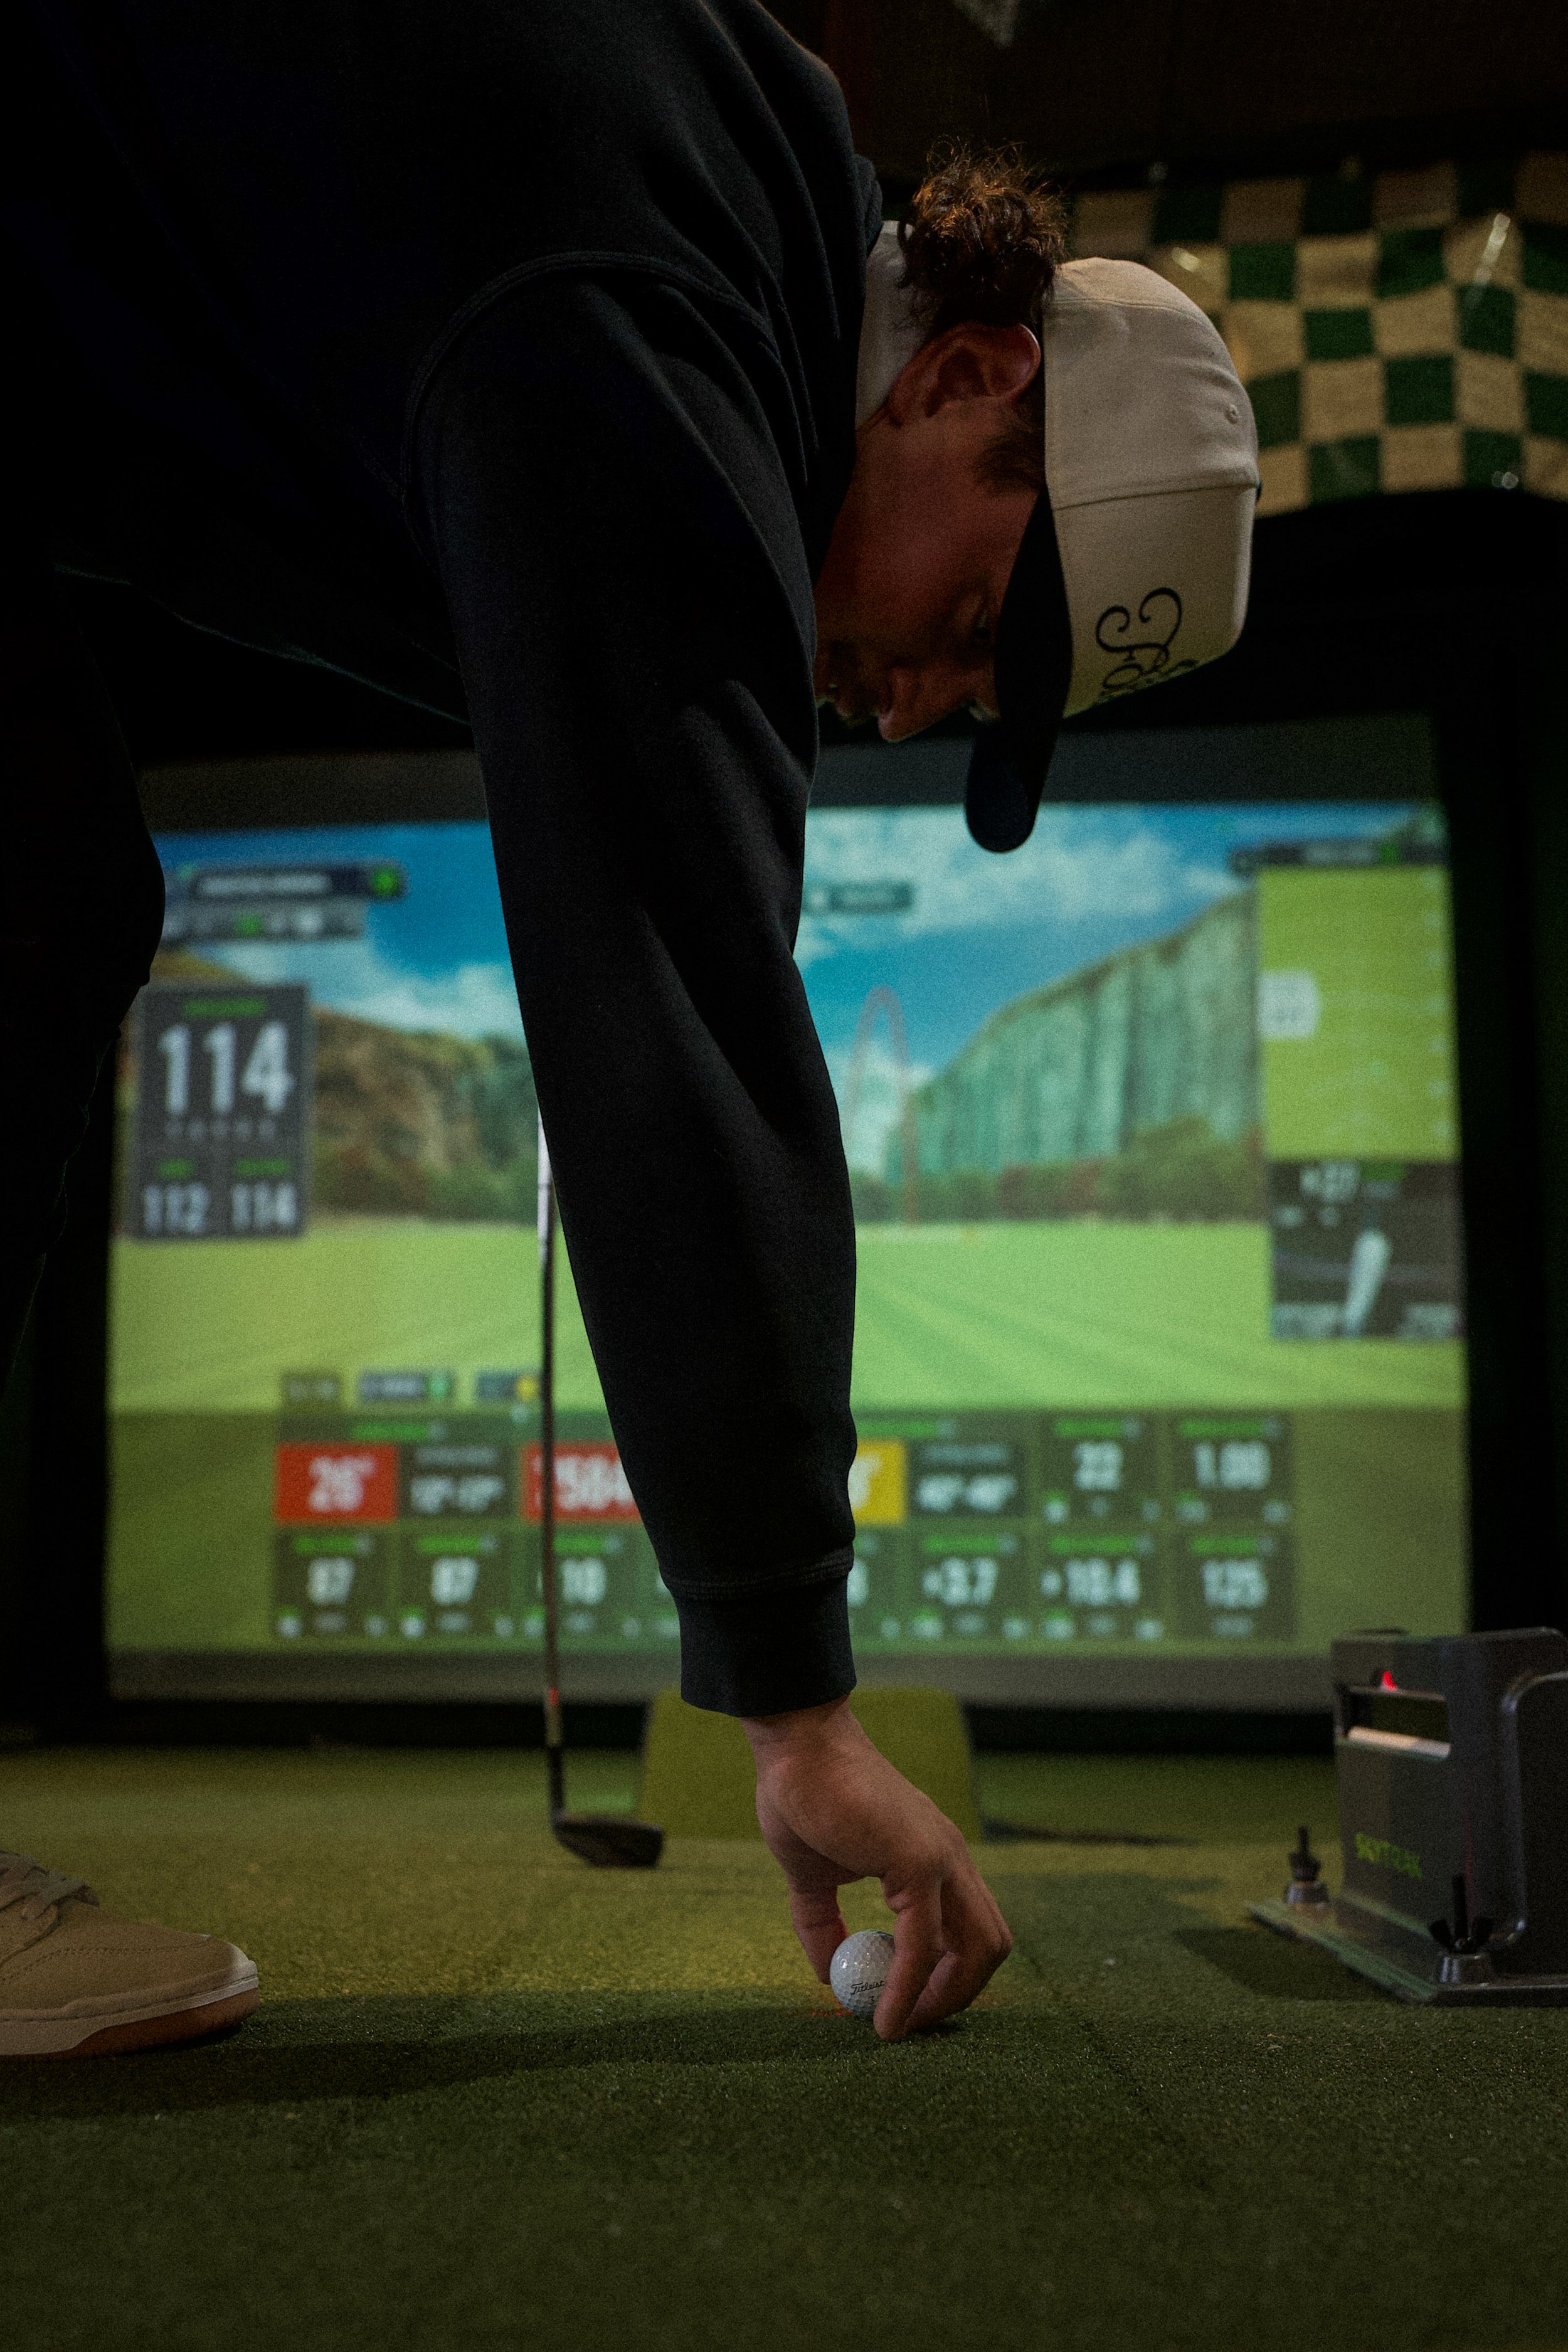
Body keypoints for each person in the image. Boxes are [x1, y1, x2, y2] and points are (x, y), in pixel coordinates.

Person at [0, 0, 1257, 2057]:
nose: (911, 706)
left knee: (37, 896)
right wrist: (793, 1696)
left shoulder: (694, 221)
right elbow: (677, 983)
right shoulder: (642, 305)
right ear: (967, 372)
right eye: (971, 630)